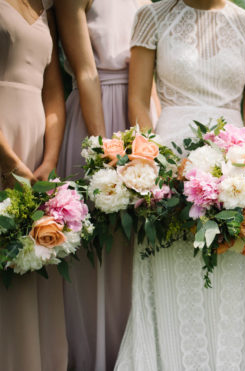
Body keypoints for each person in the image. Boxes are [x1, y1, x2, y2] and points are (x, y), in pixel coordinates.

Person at [114, 0, 245, 369]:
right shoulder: (152, 16)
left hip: (233, 168)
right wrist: (151, 166)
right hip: (169, 162)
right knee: (170, 269)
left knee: (227, 268)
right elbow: (137, 99)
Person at [54, 0, 148, 369]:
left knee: (133, 250)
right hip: (96, 115)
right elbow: (85, 72)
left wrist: (150, 144)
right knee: (92, 251)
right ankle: (89, 358)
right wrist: (103, 150)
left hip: (139, 117)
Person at [0, 0, 67, 369]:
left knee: (32, 254)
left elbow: (53, 90)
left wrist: (49, 160)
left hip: (37, 148)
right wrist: (9, 161)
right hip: (5, 141)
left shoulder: (47, 8)